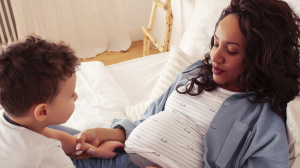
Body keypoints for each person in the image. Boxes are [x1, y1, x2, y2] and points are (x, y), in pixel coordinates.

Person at [69, 0, 300, 167]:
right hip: (117, 156)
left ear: (259, 59)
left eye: (231, 51)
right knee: (44, 137)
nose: (216, 57)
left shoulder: (263, 117)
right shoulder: (195, 72)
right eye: (216, 43)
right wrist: (105, 133)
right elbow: (147, 118)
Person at [0, 35, 124, 167]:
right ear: (43, 111)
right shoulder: (48, 154)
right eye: (70, 95)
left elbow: (54, 136)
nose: (76, 96)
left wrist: (95, 151)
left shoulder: (11, 118)